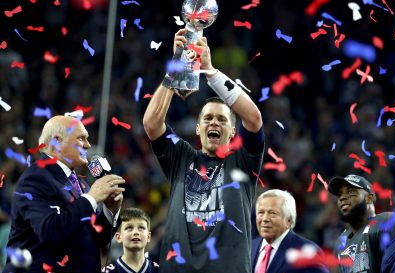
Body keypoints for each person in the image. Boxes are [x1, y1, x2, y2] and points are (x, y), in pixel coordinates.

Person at [143, 28, 264, 273]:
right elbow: (151, 124)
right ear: (198, 129)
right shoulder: (181, 156)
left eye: (222, 120)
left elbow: (253, 118)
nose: (214, 123)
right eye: (207, 119)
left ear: (232, 132)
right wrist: (175, 68)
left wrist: (209, 71)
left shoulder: (243, 161)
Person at [3, 115, 125, 273]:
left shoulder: (81, 184)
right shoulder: (36, 178)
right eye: (81, 138)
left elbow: (95, 238)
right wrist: (91, 199)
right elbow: (50, 230)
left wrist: (110, 211)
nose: (88, 145)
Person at [328, 174, 395, 273]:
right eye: (339, 195)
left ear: (369, 198)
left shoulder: (387, 222)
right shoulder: (340, 243)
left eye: (350, 192)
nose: (342, 198)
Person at [251, 189, 329, 273]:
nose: (265, 219)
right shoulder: (249, 247)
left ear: (288, 220)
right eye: (261, 213)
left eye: (272, 213)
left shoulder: (308, 252)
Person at [102, 208, 158, 273]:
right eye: (129, 228)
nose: (136, 232)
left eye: (141, 228)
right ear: (118, 237)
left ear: (148, 237)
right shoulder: (107, 272)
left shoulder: (160, 270)